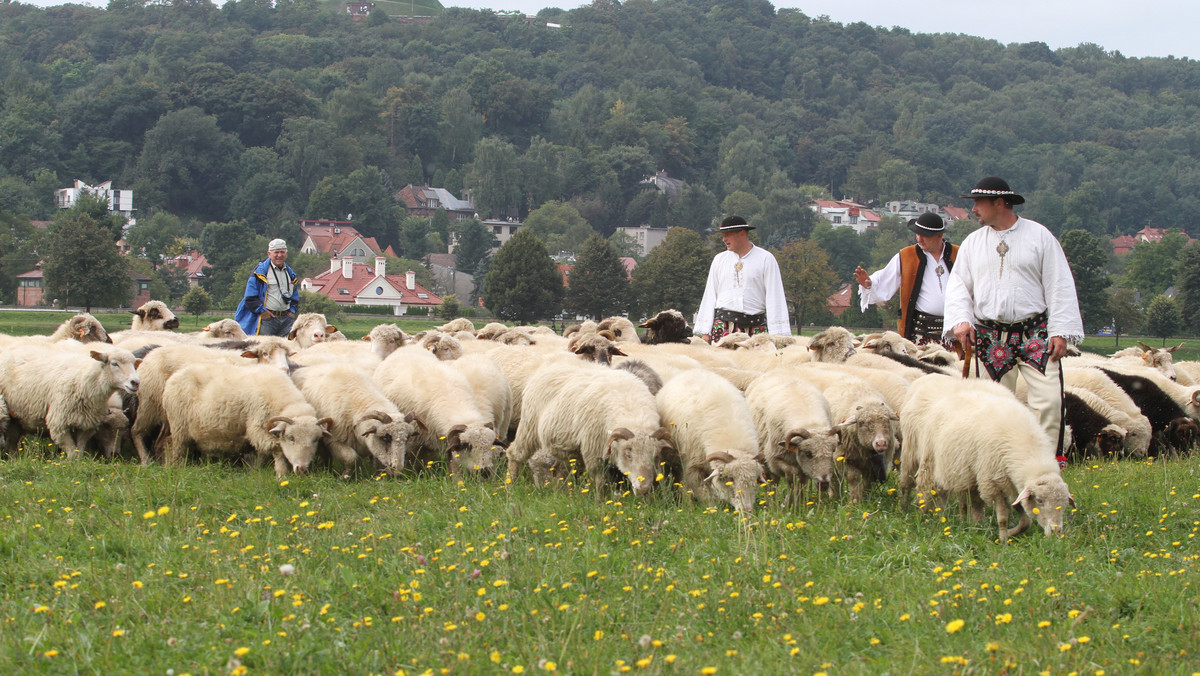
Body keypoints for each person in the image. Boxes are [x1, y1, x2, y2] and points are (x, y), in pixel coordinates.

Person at [943, 177, 1084, 453]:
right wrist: (961, 320)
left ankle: (1044, 465)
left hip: (1036, 333)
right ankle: (996, 464)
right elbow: (958, 286)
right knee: (992, 405)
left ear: (999, 203)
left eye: (978, 203)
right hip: (990, 334)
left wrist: (1059, 331)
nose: (974, 210)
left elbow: (1059, 283)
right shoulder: (972, 243)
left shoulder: (1040, 236)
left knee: (1049, 403)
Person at [853, 212, 959, 345]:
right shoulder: (906, 256)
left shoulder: (959, 254)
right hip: (919, 334)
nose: (919, 239)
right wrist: (869, 284)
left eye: (925, 235)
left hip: (954, 333)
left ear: (939, 235)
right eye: (917, 234)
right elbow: (884, 277)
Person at [694, 216, 790, 343]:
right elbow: (710, 294)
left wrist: (778, 336)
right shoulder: (719, 260)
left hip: (755, 331)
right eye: (723, 235)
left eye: (728, 235)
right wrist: (705, 332)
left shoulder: (766, 259)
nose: (724, 239)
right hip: (722, 330)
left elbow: (775, 297)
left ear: (742, 233)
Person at [235, 238, 299, 337]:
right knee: (265, 349)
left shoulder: (290, 274)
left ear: (286, 254)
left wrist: (292, 312)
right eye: (276, 252)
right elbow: (250, 298)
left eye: (282, 252)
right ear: (269, 254)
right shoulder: (259, 273)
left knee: (285, 349)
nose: (279, 255)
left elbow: (295, 296)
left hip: (286, 320)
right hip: (268, 319)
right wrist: (263, 312)